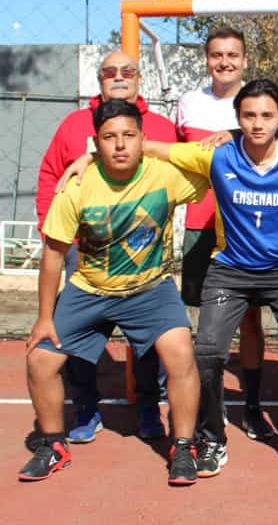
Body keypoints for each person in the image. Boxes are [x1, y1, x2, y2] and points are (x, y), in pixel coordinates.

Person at [143, 79, 278, 480]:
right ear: (237, 119)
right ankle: (212, 440)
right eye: (248, 115)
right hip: (230, 270)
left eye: (266, 115)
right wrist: (90, 156)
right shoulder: (217, 156)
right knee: (207, 353)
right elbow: (155, 148)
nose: (258, 123)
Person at [20, 99, 207, 485]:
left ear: (143, 139)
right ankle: (53, 445)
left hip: (151, 289)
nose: (120, 145)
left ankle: (184, 447)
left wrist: (158, 148)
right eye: (109, 138)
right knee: (40, 359)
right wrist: (43, 318)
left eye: (129, 136)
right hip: (89, 289)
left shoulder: (165, 175)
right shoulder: (76, 186)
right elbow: (54, 255)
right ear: (96, 142)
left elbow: (215, 164)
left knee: (181, 352)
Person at [35, 49, 176, 443]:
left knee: (149, 335)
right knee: (78, 332)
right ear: (99, 78)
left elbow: (186, 163)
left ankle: (149, 406)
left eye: (127, 71)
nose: (118, 76)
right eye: (109, 71)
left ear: (139, 78)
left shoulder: (162, 126)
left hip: (143, 249)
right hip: (87, 246)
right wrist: (56, 231)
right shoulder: (73, 123)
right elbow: (51, 176)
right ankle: (85, 407)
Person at [176, 27, 271, 440]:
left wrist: (233, 135)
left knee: (250, 320)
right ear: (207, 59)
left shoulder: (258, 104)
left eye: (233, 54)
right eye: (217, 54)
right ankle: (204, 403)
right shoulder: (189, 104)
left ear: (245, 59)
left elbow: (276, 141)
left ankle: (251, 404)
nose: (225, 61)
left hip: (246, 229)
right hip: (200, 224)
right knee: (205, 326)